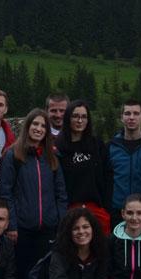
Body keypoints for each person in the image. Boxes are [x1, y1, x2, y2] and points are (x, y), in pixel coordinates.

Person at [0, 108, 67, 279]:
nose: (38, 129)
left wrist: (60, 223)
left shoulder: (51, 157)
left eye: (43, 126)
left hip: (47, 229)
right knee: (18, 277)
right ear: (27, 127)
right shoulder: (13, 156)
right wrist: (12, 225)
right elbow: (5, 192)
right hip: (22, 229)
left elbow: (61, 193)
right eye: (35, 125)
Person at [55, 99, 112, 234]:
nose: (80, 121)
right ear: (68, 118)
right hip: (70, 210)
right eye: (75, 116)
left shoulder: (97, 145)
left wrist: (106, 207)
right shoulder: (58, 147)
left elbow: (108, 176)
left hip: (97, 208)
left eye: (84, 117)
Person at [108, 100, 141, 228]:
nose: (131, 117)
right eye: (127, 113)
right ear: (121, 117)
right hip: (118, 211)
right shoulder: (111, 147)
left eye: (136, 113)